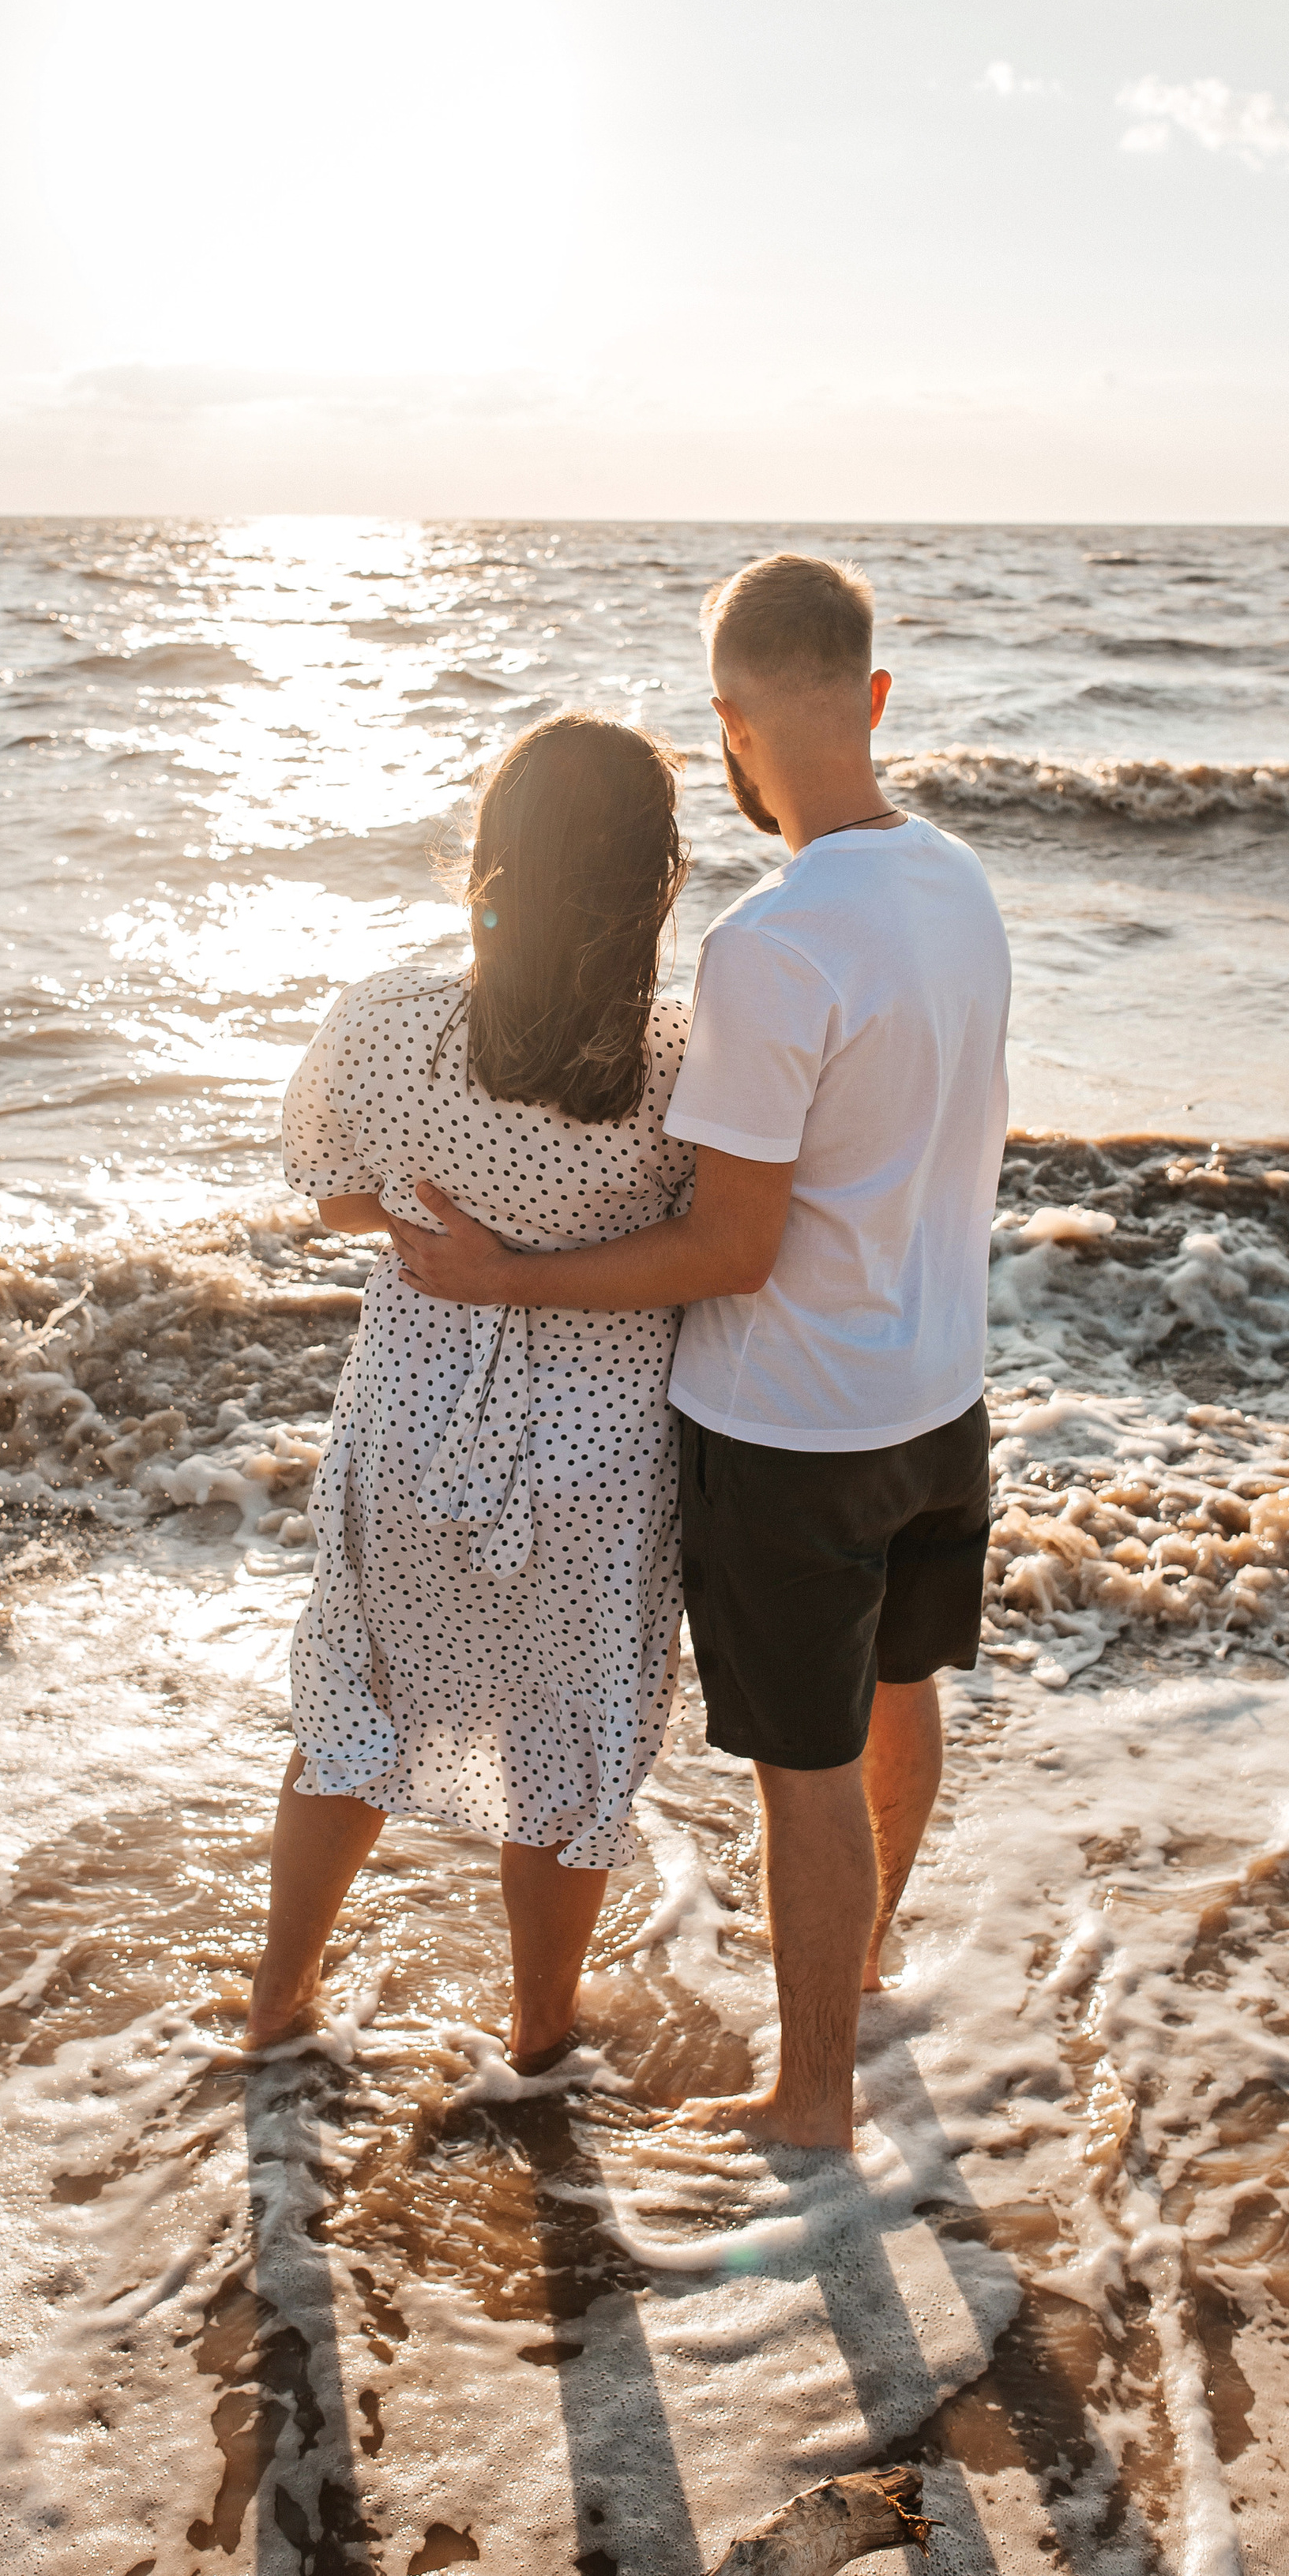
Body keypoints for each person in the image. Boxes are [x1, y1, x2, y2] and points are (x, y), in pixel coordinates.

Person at [389, 551, 1011, 2151]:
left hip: (795, 1427)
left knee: (803, 1766)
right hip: (940, 1390)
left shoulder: (772, 941)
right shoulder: (957, 880)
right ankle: (858, 1973)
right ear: (873, 696)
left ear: (728, 721)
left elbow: (730, 1248)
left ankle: (812, 2100)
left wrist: (506, 1274)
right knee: (898, 1694)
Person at [245, 712, 695, 2070]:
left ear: (492, 858)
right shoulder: (680, 1059)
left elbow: (329, 1189)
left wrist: (429, 1223)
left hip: (415, 1419)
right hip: (597, 1449)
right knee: (563, 1746)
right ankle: (541, 2039)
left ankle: (276, 2005)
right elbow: (712, 1245)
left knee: (357, 1710)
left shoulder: (387, 1022)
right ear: (652, 880)